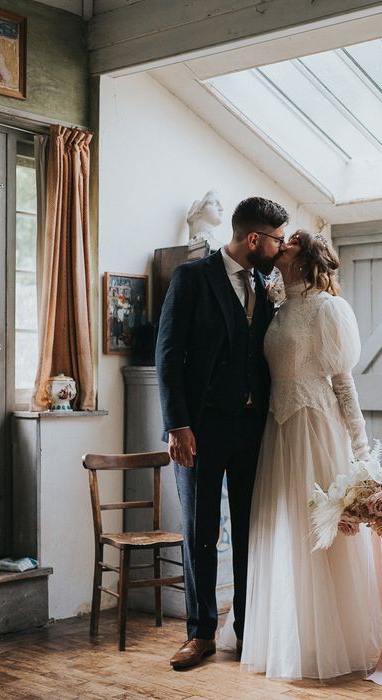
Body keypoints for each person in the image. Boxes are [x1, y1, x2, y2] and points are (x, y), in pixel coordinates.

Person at [239, 231, 382, 680]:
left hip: (314, 427)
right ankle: (287, 636)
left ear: (303, 260)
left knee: (318, 532)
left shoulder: (328, 308)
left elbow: (343, 383)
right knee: (283, 528)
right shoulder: (277, 308)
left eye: (289, 245)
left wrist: (362, 453)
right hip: (278, 431)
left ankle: (331, 642)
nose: (280, 248)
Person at [156, 196, 289, 669]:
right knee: (200, 531)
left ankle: (248, 629)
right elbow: (168, 356)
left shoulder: (267, 282)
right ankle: (200, 633)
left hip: (253, 429)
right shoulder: (192, 278)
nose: (280, 247)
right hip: (201, 428)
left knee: (253, 530)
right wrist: (178, 424)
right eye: (276, 240)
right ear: (254, 239)